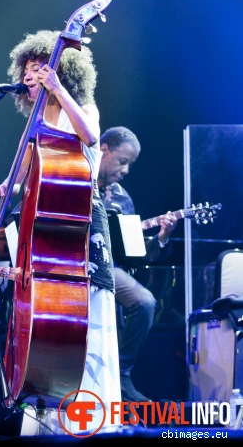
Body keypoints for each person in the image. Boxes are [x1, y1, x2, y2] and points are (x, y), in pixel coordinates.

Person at [0, 30, 121, 434]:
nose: (29, 78)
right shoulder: (33, 123)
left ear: (59, 70)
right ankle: (45, 408)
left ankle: (91, 418)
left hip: (82, 228)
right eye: (26, 71)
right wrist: (8, 187)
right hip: (46, 234)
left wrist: (58, 89)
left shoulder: (81, 106)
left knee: (89, 318)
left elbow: (91, 137)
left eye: (37, 69)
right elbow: (26, 175)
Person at [97, 126, 178, 404]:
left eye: (130, 165)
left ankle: (122, 374)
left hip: (106, 268)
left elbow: (136, 253)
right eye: (123, 162)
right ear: (103, 150)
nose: (126, 171)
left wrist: (162, 237)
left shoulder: (121, 197)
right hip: (70, 265)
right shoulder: (75, 180)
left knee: (144, 302)